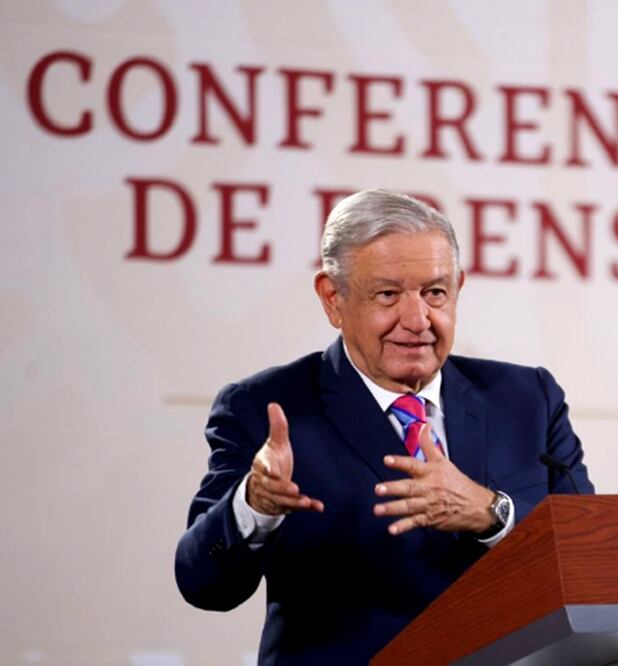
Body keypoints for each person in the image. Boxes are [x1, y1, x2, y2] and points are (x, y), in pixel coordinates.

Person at [174, 189, 594, 665]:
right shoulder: (268, 408)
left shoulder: (527, 399)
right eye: (388, 295)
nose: (416, 320)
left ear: (458, 288)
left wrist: (492, 513)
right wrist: (254, 506)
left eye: (435, 292)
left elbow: (590, 562)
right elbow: (202, 585)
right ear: (333, 299)